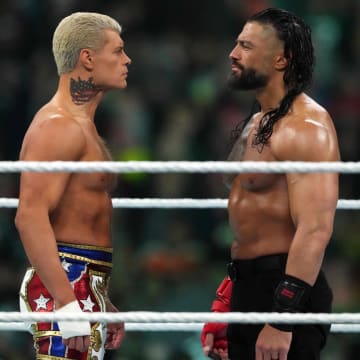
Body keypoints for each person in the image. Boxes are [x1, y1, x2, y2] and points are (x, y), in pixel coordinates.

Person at [201, 7, 340, 360]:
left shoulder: (307, 126)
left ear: (280, 60)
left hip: (285, 294)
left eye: (246, 46)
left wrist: (281, 320)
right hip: (249, 288)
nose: (233, 54)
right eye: (236, 44)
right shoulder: (256, 123)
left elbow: (314, 229)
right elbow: (250, 225)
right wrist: (226, 301)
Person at [15, 12, 131, 359]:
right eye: (118, 51)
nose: (127, 60)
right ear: (88, 58)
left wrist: (99, 296)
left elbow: (79, 214)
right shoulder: (58, 125)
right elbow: (30, 216)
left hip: (81, 277)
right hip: (65, 280)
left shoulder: (82, 126)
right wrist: (66, 303)